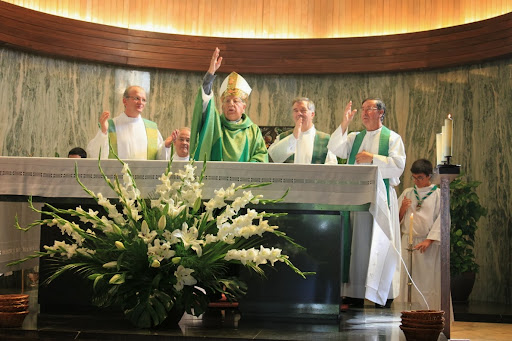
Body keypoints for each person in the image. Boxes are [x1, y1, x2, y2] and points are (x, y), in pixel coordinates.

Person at [327, 98, 406, 309]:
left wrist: (373, 158)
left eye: (368, 109)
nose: (363, 113)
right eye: (362, 110)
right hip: (359, 198)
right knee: (358, 245)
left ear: (381, 112)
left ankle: (385, 293)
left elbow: (398, 166)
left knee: (382, 243)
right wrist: (344, 122)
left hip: (382, 199)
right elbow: (335, 148)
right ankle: (355, 292)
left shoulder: (392, 138)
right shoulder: (355, 137)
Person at [189, 48, 268, 162]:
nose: (231, 104)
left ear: (243, 107)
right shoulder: (216, 125)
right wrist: (209, 76)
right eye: (227, 101)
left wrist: (244, 171)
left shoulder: (253, 131)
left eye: (235, 101)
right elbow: (205, 104)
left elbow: (261, 156)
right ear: (222, 106)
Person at [397, 159, 441, 310]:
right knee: (405, 279)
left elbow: (442, 219)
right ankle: (404, 312)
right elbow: (395, 220)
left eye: (420, 177)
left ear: (429, 176)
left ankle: (428, 313)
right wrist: (402, 208)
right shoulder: (407, 193)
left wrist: (429, 241)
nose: (416, 181)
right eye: (414, 177)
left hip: (427, 244)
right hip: (407, 241)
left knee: (426, 281)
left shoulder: (437, 194)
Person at [86, 86, 172, 160]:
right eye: (137, 98)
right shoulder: (111, 125)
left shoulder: (151, 128)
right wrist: (103, 132)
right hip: (117, 177)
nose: (140, 102)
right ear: (124, 101)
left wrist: (166, 146)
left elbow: (159, 158)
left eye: (144, 100)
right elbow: (96, 154)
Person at [267, 97, 337, 164]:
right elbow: (272, 158)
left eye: (303, 110)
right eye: (295, 110)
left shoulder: (326, 140)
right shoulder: (282, 137)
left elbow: (332, 167)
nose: (299, 114)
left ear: (312, 114)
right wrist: (293, 137)